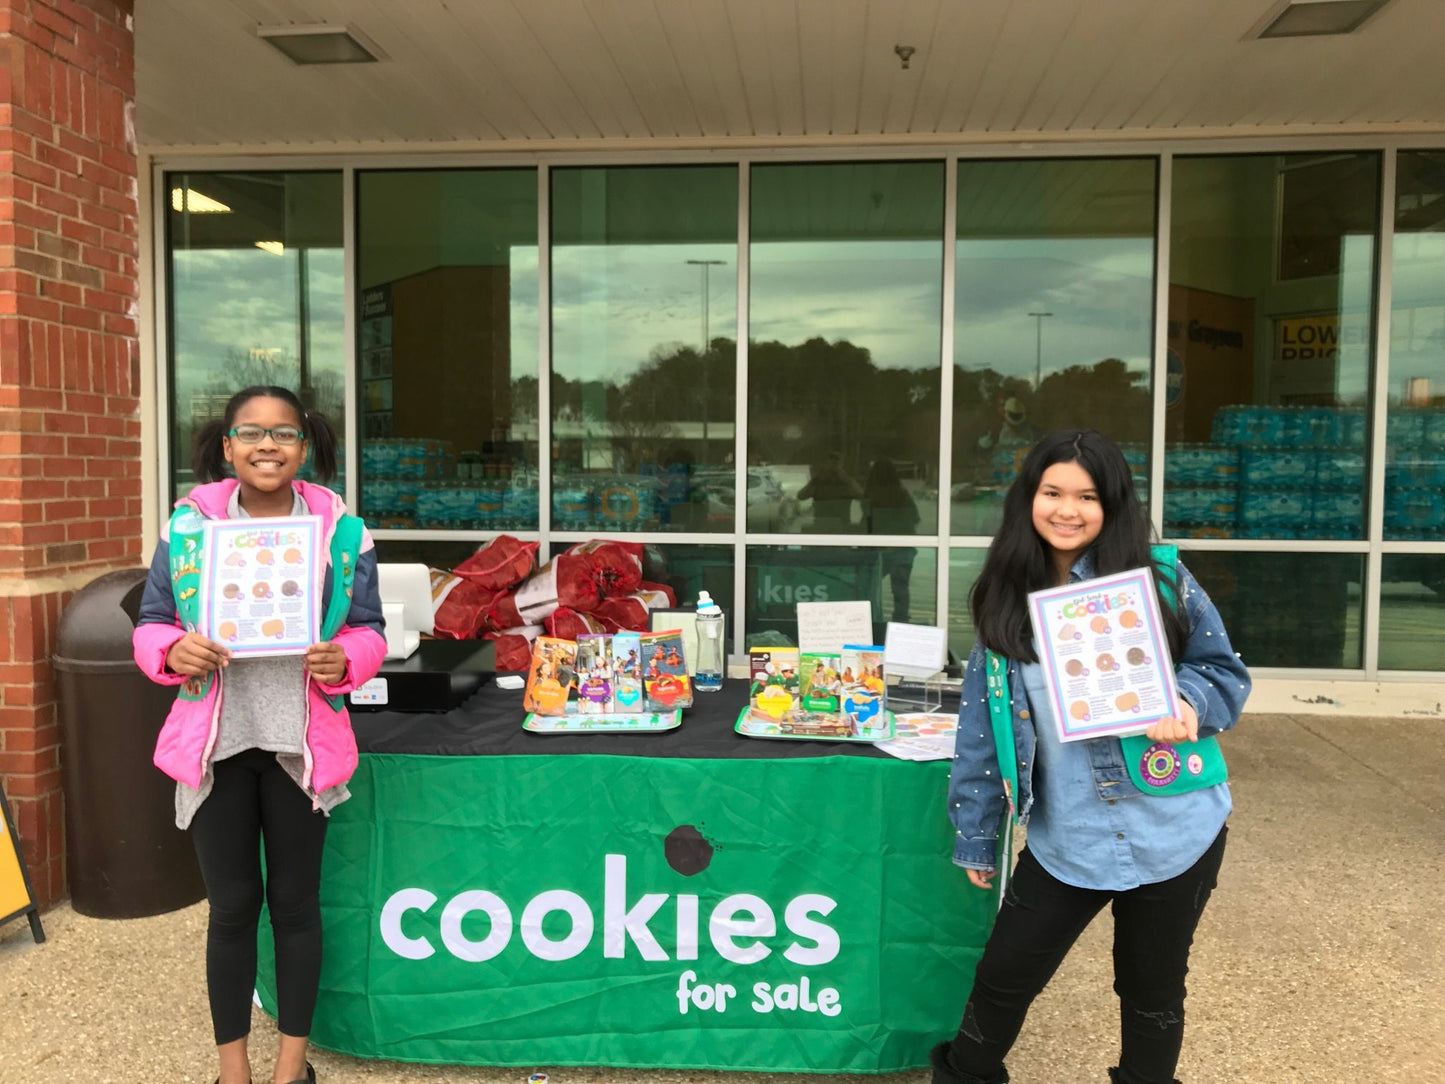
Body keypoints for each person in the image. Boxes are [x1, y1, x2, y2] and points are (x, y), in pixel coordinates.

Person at [932, 429, 1250, 1084]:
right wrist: (975, 833)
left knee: (1151, 989)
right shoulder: (1003, 603)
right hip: (1067, 837)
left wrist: (1188, 702)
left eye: (1087, 496)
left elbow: (1222, 671)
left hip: (1174, 828)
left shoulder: (1159, 582)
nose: (1067, 510)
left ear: (1113, 505)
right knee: (1002, 977)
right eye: (1052, 492)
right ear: (1028, 499)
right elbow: (979, 734)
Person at [133, 386, 386, 1084]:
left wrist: (348, 659)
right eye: (250, 432)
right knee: (233, 907)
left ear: (305, 447)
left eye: (283, 433)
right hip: (217, 742)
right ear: (227, 446)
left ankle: (290, 1070)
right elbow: (153, 619)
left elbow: (369, 629)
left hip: (298, 744)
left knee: (297, 906)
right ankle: (233, 1072)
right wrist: (169, 650)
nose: (266, 445)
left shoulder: (340, 531)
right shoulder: (187, 528)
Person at [863, 458, 921, 622]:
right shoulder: (902, 493)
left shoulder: (871, 494)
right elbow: (915, 518)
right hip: (903, 548)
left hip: (879, 550)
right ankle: (901, 623)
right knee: (901, 590)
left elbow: (865, 523)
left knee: (868, 587)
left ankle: (871, 621)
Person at [798, 452, 862, 532]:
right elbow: (801, 496)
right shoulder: (818, 483)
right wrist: (817, 478)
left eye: (836, 466)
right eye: (830, 465)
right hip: (822, 528)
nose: (832, 470)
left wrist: (845, 478)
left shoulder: (846, 485)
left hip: (842, 529)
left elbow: (862, 496)